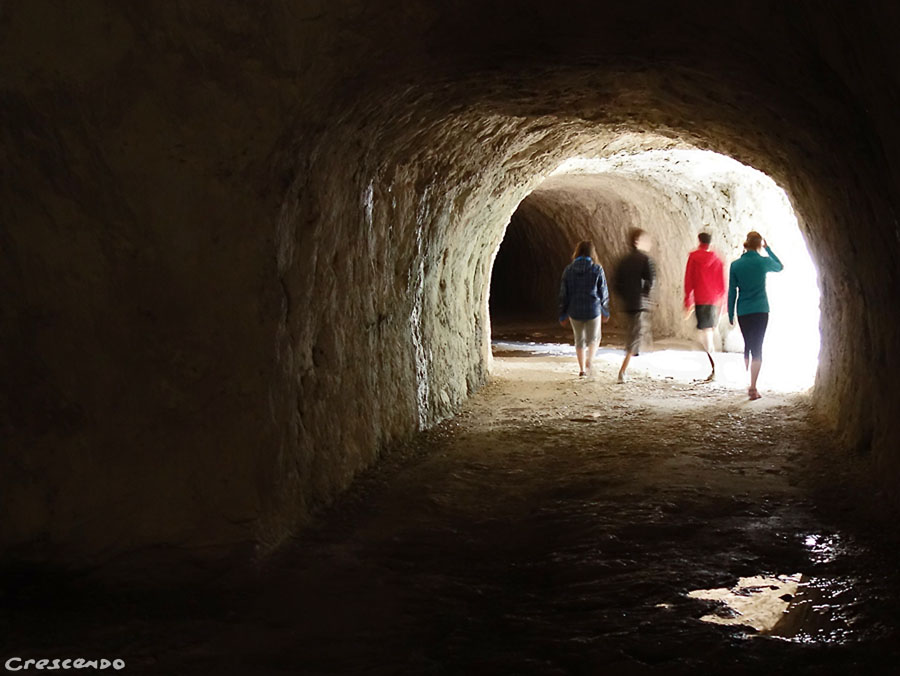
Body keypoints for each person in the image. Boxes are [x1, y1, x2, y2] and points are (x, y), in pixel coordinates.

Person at [728, 230, 784, 400]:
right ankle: (753, 386)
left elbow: (732, 291)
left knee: (748, 344)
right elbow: (779, 266)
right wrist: (768, 249)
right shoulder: (762, 262)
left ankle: (747, 380)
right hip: (760, 309)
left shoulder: (736, 265)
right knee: (757, 347)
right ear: (759, 245)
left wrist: (730, 312)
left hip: (743, 310)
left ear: (746, 243)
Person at [558, 240, 610, 377]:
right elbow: (603, 292)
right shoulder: (597, 269)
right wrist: (604, 310)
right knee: (594, 338)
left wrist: (563, 313)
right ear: (592, 253)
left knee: (579, 340)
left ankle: (581, 369)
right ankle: (589, 361)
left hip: (574, 310)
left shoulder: (568, 270)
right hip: (593, 309)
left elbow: (564, 293)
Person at [614, 228, 655, 383]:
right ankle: (622, 371)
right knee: (634, 337)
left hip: (628, 303)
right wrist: (644, 296)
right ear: (637, 241)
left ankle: (632, 359)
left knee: (634, 333)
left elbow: (616, 282)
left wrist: (624, 297)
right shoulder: (645, 260)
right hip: (639, 303)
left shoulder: (623, 260)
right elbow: (650, 282)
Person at [684, 231, 726, 381]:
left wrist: (688, 300)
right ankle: (714, 362)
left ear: (699, 240)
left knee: (704, 333)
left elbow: (689, 279)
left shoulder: (694, 257)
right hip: (714, 299)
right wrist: (723, 302)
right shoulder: (717, 259)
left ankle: (714, 364)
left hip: (701, 299)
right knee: (708, 331)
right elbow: (721, 282)